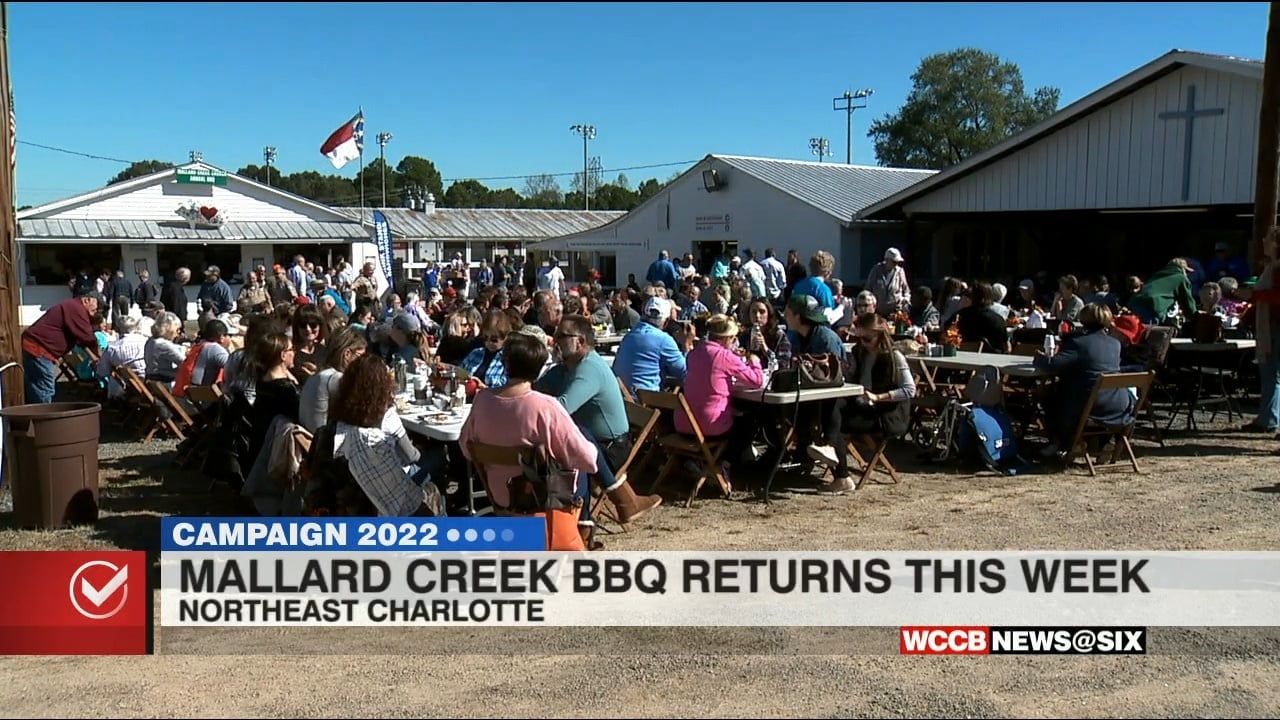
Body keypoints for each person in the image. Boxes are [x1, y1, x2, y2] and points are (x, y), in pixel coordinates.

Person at [460, 334, 601, 546]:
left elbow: (466, 447)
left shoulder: (482, 400)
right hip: (540, 500)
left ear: (506, 364)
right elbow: (588, 459)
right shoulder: (545, 407)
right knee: (579, 470)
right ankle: (577, 533)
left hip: (500, 496)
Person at [536, 315, 663, 524]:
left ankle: (577, 524)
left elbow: (562, 408)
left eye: (562, 336)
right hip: (593, 443)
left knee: (572, 453)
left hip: (611, 448)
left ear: (581, 342)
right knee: (571, 444)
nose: (555, 340)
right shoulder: (567, 366)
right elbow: (537, 389)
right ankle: (586, 518)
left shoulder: (589, 369)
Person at [809, 313, 915, 493]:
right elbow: (856, 381)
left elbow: (909, 390)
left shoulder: (894, 356)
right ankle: (833, 457)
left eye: (867, 338)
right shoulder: (860, 352)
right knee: (829, 406)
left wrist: (879, 397)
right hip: (863, 406)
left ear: (880, 336)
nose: (862, 342)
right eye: (858, 338)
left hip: (887, 414)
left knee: (835, 424)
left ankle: (840, 472)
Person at [1032, 303, 1135, 459]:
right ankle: (1098, 443)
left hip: (1091, 406)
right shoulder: (1115, 344)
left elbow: (1052, 365)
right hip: (1117, 404)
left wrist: (1039, 357)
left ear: (1083, 319)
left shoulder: (1078, 343)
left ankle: (1061, 442)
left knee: (1047, 395)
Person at [678, 313, 765, 487]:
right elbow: (757, 381)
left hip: (684, 424)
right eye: (733, 338)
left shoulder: (694, 354)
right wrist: (754, 362)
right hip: (708, 426)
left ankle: (699, 462)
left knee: (734, 415)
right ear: (727, 338)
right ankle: (724, 463)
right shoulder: (724, 356)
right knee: (749, 422)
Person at [20, 292, 101, 403]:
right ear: (87, 300)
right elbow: (89, 339)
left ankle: (33, 417)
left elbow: (81, 341)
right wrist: (102, 356)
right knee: (44, 390)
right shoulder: (77, 309)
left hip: (37, 348)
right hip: (39, 349)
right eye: (97, 306)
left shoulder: (74, 308)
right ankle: (42, 418)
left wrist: (94, 358)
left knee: (36, 387)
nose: (97, 310)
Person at [613, 296, 689, 395]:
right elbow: (686, 372)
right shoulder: (663, 339)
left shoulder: (630, 334)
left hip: (624, 399)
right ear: (666, 322)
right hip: (647, 402)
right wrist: (686, 344)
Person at [299, 328, 369, 432]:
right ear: (347, 354)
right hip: (321, 443)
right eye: (360, 357)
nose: (362, 363)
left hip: (310, 436)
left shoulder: (320, 374)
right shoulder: (336, 379)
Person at [460, 310, 519, 389]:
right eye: (485, 338)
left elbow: (508, 387)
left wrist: (484, 388)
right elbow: (460, 372)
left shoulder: (508, 359)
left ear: (505, 337)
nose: (488, 342)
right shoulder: (475, 353)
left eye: (494, 339)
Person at [1127, 258, 1196, 325]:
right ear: (1182, 269)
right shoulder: (1181, 278)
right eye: (1186, 272)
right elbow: (1188, 303)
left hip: (1134, 302)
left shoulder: (1158, 275)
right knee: (1148, 334)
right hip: (1151, 307)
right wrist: (1195, 317)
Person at [865, 247, 911, 318]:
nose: (896, 264)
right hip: (878, 311)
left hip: (895, 312)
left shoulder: (899, 272)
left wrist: (906, 299)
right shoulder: (876, 270)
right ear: (886, 260)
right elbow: (868, 289)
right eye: (894, 262)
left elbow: (906, 290)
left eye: (897, 262)